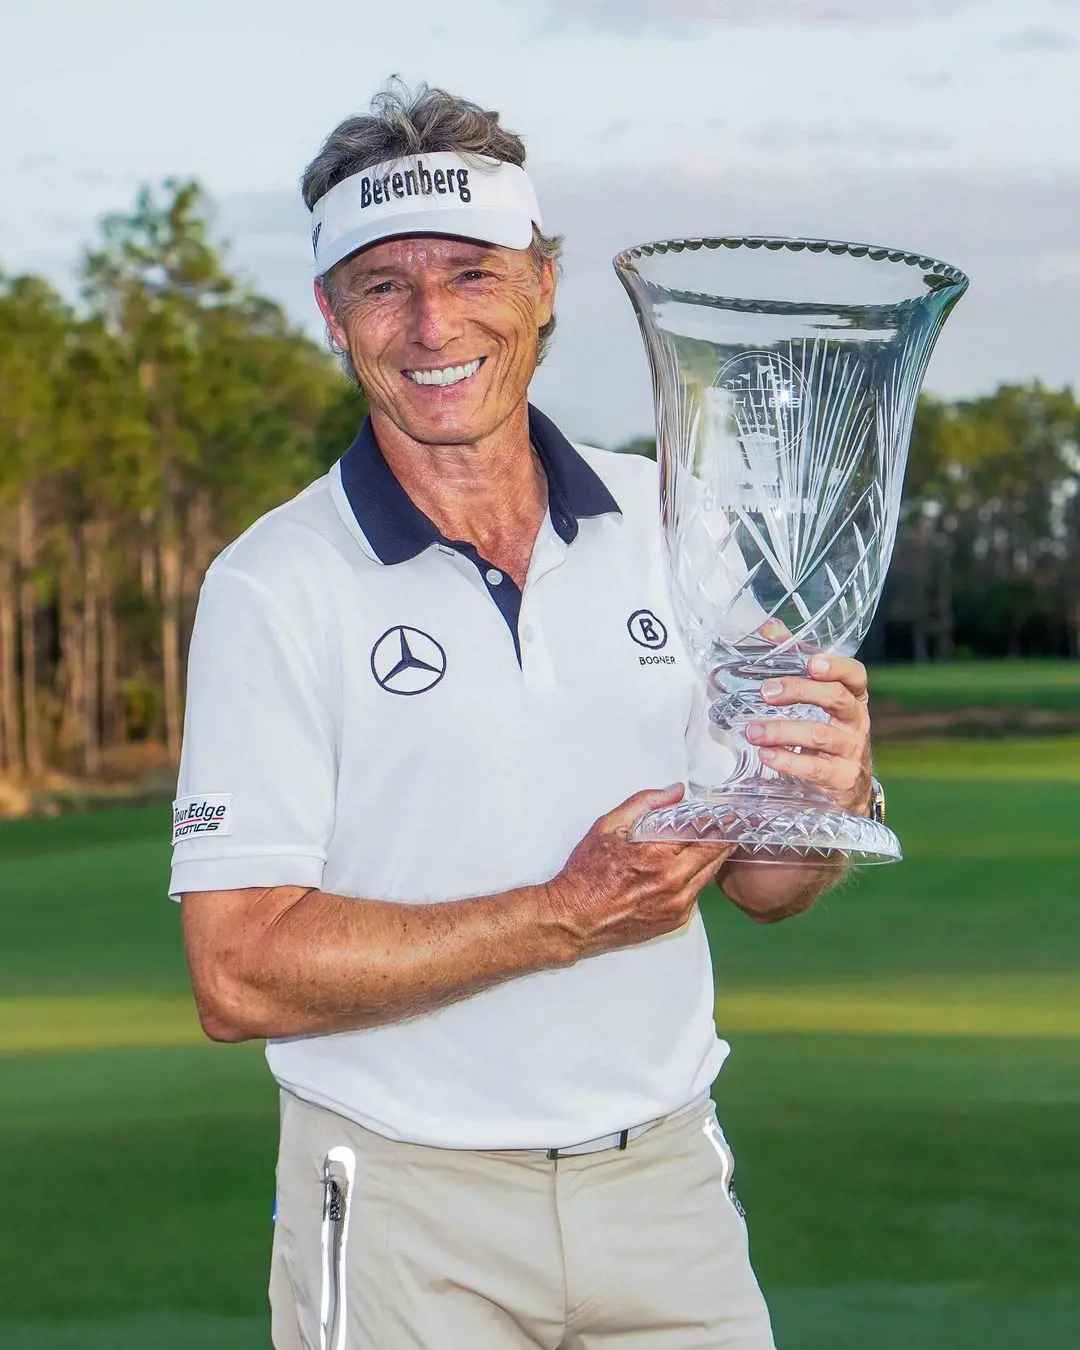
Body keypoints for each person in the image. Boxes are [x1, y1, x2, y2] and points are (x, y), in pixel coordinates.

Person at [173, 81, 881, 1350]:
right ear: (334, 317)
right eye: (384, 284)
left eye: (472, 272)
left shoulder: (671, 512)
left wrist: (828, 793)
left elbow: (764, 885)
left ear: (543, 286)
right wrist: (558, 916)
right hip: (403, 1208)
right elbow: (235, 972)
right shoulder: (273, 583)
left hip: (664, 1192)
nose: (433, 319)